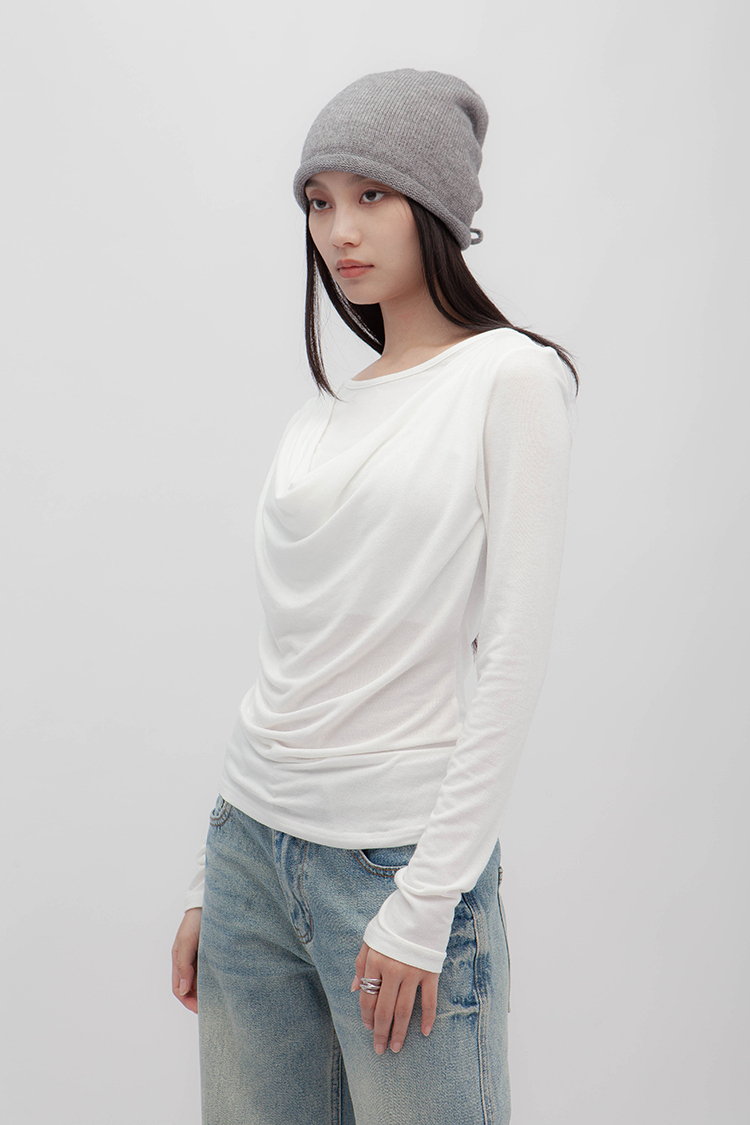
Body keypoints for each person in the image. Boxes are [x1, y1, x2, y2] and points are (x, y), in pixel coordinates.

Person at [171, 68, 578, 1125]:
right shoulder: (324, 412)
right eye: (318, 201)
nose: (338, 230)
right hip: (250, 845)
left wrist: (427, 902)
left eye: (371, 194)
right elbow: (294, 654)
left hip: (394, 862)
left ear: (433, 205)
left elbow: (513, 655)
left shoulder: (510, 378)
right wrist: (213, 882)